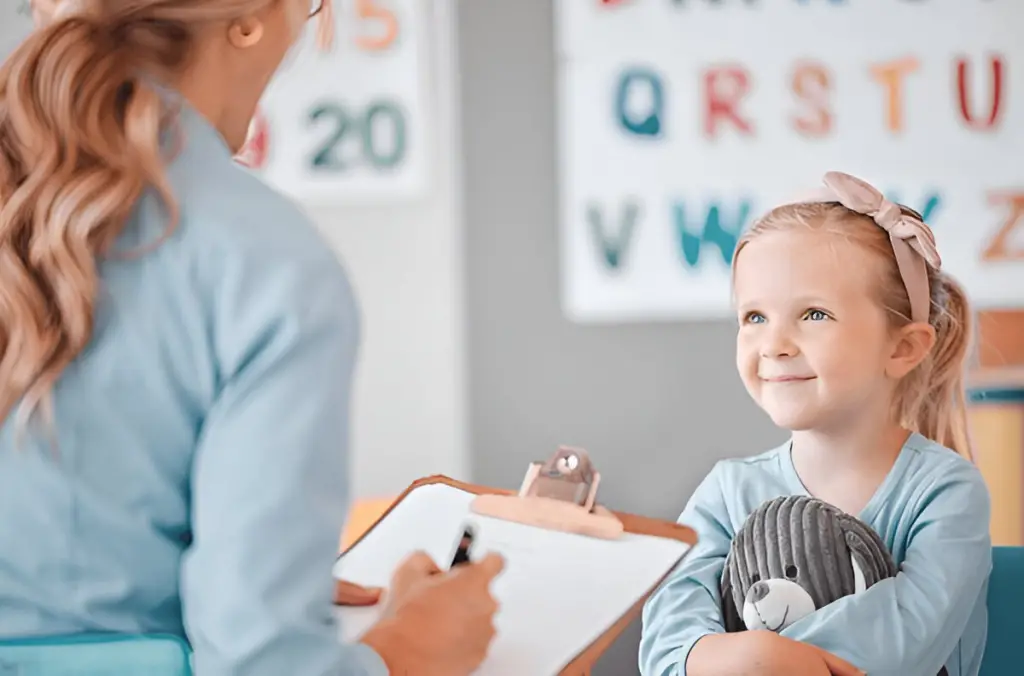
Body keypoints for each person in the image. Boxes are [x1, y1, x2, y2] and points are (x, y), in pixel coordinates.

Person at [0, 1, 503, 675]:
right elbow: (260, 664)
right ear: (249, 22)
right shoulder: (262, 261)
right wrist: (410, 651)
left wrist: (224, 572)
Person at [639, 172, 991, 676]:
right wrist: (708, 657)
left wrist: (750, 656)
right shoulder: (726, 491)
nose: (775, 343)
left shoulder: (946, 493)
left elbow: (903, 643)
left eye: (814, 314)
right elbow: (667, 643)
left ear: (902, 347)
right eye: (755, 317)